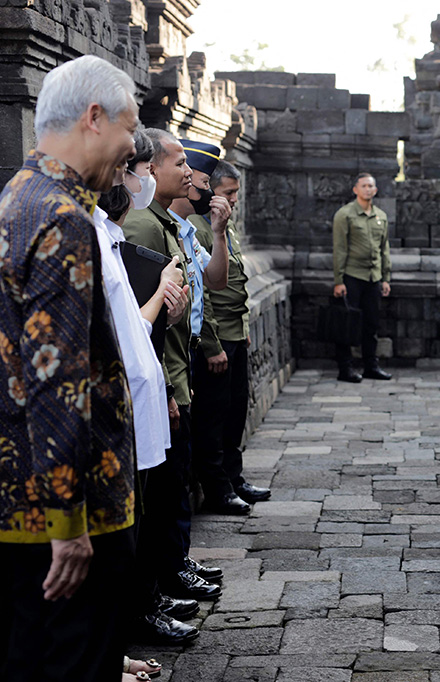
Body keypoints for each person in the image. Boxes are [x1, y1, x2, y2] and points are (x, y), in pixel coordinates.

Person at [0, 54, 138, 682]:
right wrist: (68, 524)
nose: (132, 146)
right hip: (69, 513)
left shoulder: (16, 196)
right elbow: (57, 381)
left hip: (17, 497)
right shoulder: (63, 218)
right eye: (129, 128)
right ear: (94, 117)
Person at [96, 131, 201, 650]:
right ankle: (138, 613)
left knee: (146, 509)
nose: (129, 180)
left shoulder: (115, 235)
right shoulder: (100, 234)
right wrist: (162, 294)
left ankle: (146, 602)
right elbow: (120, 332)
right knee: (132, 520)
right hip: (124, 402)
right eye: (126, 168)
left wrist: (168, 305)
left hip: (148, 388)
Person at [122, 129, 226, 600]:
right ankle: (159, 584)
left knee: (173, 482)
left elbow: (204, 289)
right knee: (162, 490)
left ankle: (172, 567)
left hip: (178, 369)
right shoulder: (144, 226)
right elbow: (143, 325)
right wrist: (166, 388)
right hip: (163, 375)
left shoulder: (167, 223)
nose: (188, 173)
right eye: (179, 163)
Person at [188, 156, 271, 509]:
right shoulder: (199, 227)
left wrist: (244, 328)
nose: (234, 199)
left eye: (236, 192)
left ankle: (234, 479)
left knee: (236, 411)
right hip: (217, 335)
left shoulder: (226, 226)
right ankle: (217, 488)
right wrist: (211, 344)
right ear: (210, 191)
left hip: (235, 332)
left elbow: (237, 282)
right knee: (213, 415)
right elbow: (203, 293)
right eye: (228, 192)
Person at [332, 172, 392, 383]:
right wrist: (339, 281)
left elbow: (384, 249)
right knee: (347, 324)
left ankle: (371, 366)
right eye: (364, 186)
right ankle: (345, 368)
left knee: (371, 324)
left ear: (375, 190)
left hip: (373, 277)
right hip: (352, 276)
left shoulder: (380, 216)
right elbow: (339, 249)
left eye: (371, 186)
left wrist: (385, 278)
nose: (368, 189)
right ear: (355, 189)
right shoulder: (345, 215)